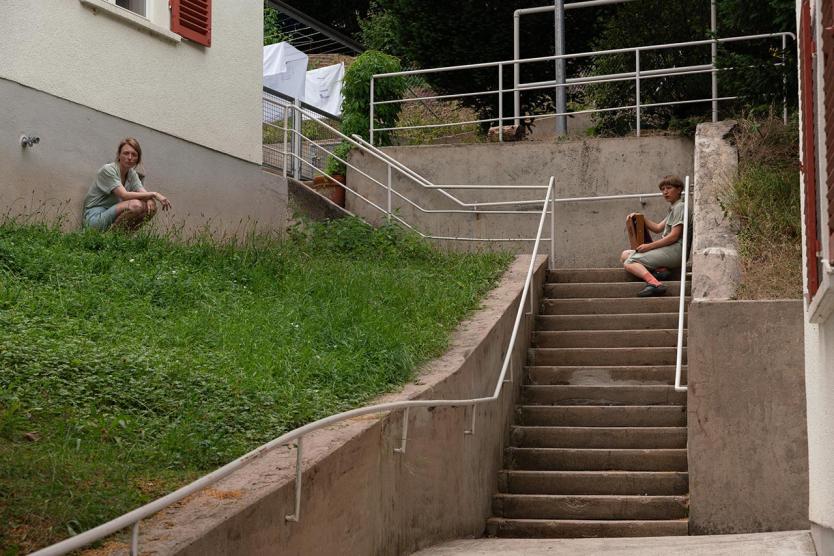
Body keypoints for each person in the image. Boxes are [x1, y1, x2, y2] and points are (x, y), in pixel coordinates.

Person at [620, 175, 689, 297]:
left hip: (676, 251)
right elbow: (657, 228)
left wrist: (649, 246)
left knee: (629, 262)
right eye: (662, 189)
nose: (665, 192)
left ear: (679, 189)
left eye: (669, 188)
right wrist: (640, 216)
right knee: (624, 255)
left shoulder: (680, 207)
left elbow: (674, 236)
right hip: (670, 250)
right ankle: (660, 270)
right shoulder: (674, 209)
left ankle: (655, 283)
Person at [83, 138, 171, 231]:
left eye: (134, 155)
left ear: (138, 159)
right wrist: (154, 194)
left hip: (111, 217)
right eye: (126, 153)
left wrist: (150, 200)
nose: (129, 157)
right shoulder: (108, 170)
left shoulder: (131, 174)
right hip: (94, 220)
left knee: (150, 208)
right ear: (119, 155)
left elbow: (143, 193)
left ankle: (121, 238)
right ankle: (112, 238)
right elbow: (124, 195)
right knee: (136, 205)